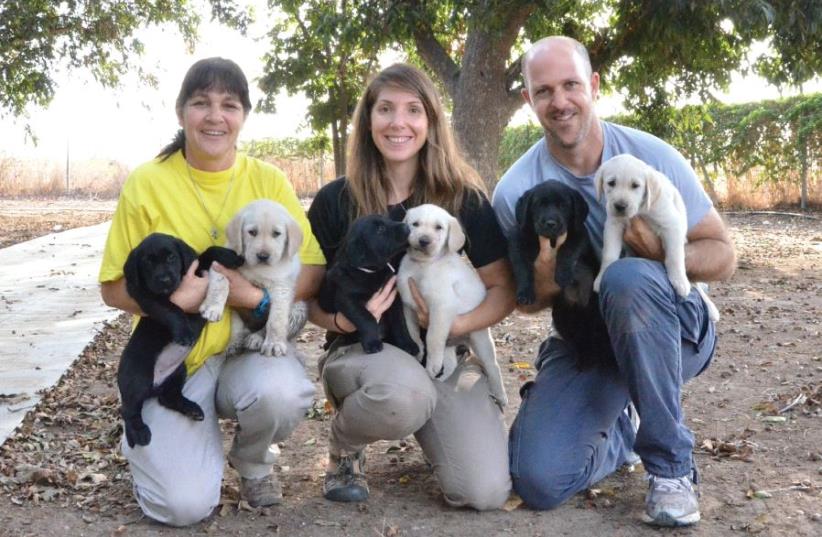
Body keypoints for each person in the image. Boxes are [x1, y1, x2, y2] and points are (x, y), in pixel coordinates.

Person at [492, 37, 736, 526]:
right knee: (538, 480)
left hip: (676, 328)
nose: (559, 102)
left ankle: (670, 469)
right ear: (528, 101)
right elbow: (526, 301)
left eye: (570, 85)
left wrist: (662, 254)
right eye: (543, 91)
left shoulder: (650, 158)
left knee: (624, 278)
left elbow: (723, 255)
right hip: (589, 337)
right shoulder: (517, 191)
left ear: (594, 86)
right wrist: (543, 281)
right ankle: (620, 431)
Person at [99, 57, 326, 527]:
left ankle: (252, 459)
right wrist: (175, 302)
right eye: (201, 103)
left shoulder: (267, 180)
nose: (215, 116)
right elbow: (113, 289)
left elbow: (312, 271)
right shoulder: (147, 183)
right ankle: (168, 445)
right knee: (181, 508)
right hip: (180, 357)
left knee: (282, 391)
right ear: (181, 111)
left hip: (247, 348)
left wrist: (251, 294)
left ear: (244, 114)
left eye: (229, 104)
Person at [306, 63, 515, 509]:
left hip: (444, 351)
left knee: (484, 492)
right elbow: (308, 300)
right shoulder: (334, 201)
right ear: (368, 120)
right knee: (402, 396)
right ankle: (346, 442)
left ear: (431, 121)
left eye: (413, 110)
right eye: (385, 109)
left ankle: (440, 428)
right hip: (363, 349)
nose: (398, 122)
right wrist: (343, 319)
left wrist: (456, 322)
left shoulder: (463, 200)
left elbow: (502, 289)